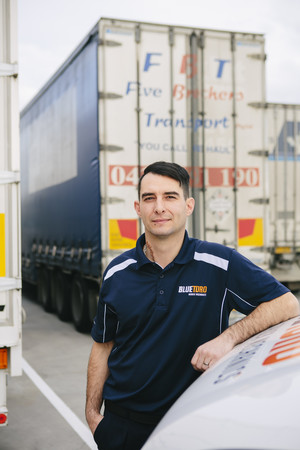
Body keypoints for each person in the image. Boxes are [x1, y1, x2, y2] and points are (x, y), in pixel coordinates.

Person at [86, 161, 299, 450]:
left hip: (188, 425)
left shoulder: (220, 264)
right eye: (150, 198)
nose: (159, 207)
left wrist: (228, 339)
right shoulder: (117, 272)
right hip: (121, 426)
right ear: (138, 208)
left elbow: (286, 303)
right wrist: (92, 413)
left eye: (170, 197)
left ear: (188, 205)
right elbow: (103, 345)